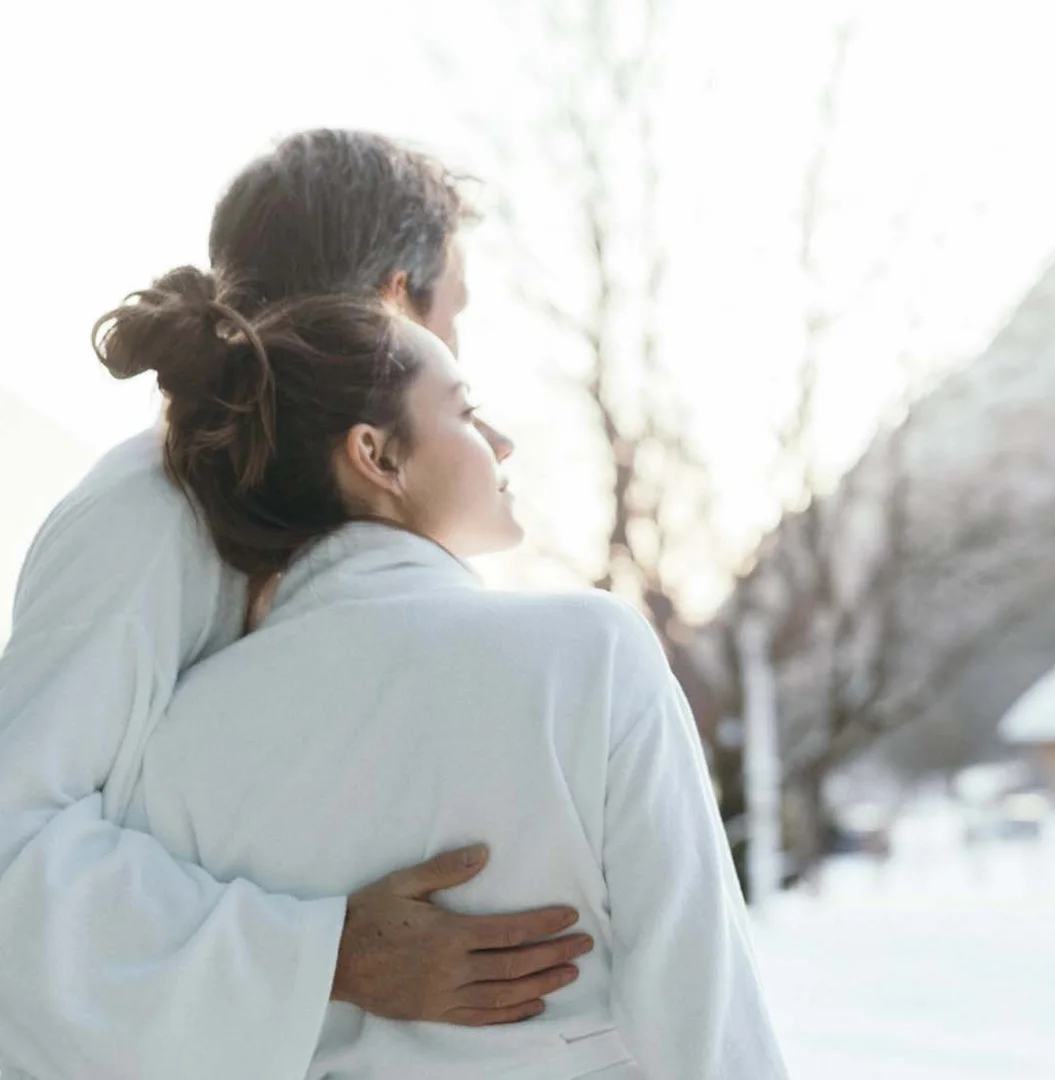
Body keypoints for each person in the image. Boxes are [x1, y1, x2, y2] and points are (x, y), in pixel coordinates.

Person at [0, 131, 589, 1079]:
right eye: (457, 317)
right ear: (398, 303)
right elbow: (11, 858)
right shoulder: (152, 510)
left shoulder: (343, 534)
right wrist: (323, 956)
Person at [98, 269, 785, 1078]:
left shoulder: (182, 738)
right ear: (376, 455)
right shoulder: (590, 654)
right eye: (464, 410)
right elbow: (703, 1007)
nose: (501, 442)